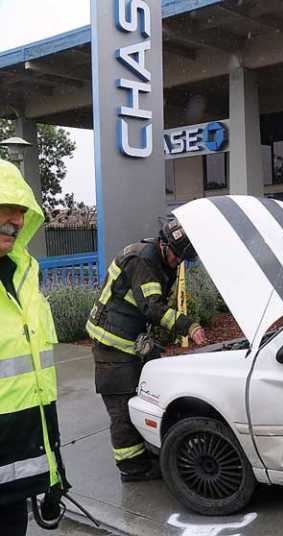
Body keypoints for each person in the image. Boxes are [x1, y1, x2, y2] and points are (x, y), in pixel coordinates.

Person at [86, 218, 206, 482]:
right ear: (164, 244)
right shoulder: (144, 261)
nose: (178, 262)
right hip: (111, 343)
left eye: (182, 259)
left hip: (129, 339)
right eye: (177, 256)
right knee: (121, 407)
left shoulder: (163, 260)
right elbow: (152, 307)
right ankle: (132, 467)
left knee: (142, 398)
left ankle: (143, 453)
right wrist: (188, 326)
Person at [0, 160, 69, 535]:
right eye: (5, 208)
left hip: (21, 467)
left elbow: (36, 381)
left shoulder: (26, 276)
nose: (16, 220)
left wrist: (53, 470)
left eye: (21, 211)